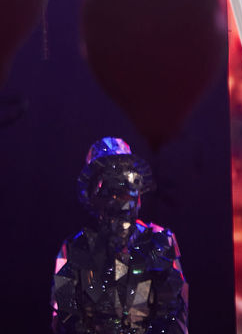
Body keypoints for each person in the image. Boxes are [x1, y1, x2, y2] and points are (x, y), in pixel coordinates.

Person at [51, 136, 188, 333]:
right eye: (110, 188)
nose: (120, 198)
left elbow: (175, 315)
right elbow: (63, 319)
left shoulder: (159, 242)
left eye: (127, 184)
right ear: (94, 196)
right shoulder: (74, 249)